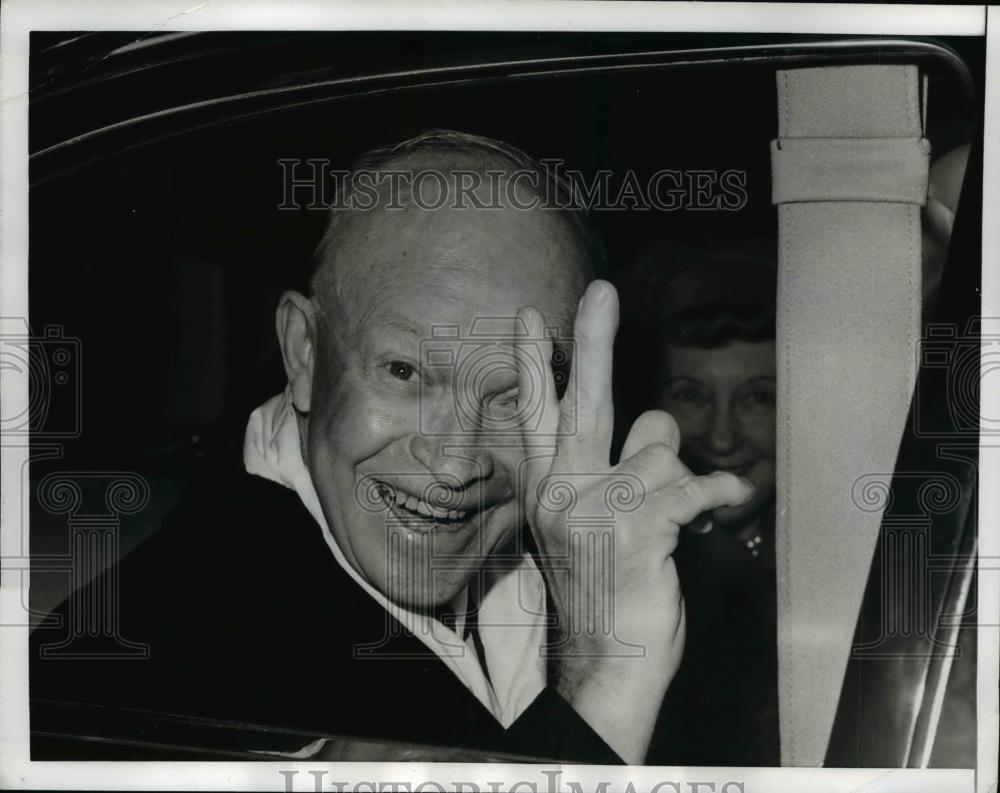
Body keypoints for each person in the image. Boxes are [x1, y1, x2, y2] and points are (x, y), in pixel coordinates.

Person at [30, 130, 754, 764]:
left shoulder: (579, 566)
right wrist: (602, 671)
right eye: (405, 372)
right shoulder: (139, 667)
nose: (456, 462)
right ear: (305, 353)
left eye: (512, 396)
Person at [622, 238, 779, 765]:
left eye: (758, 397)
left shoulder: (852, 569)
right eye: (690, 394)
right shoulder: (619, 568)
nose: (719, 438)